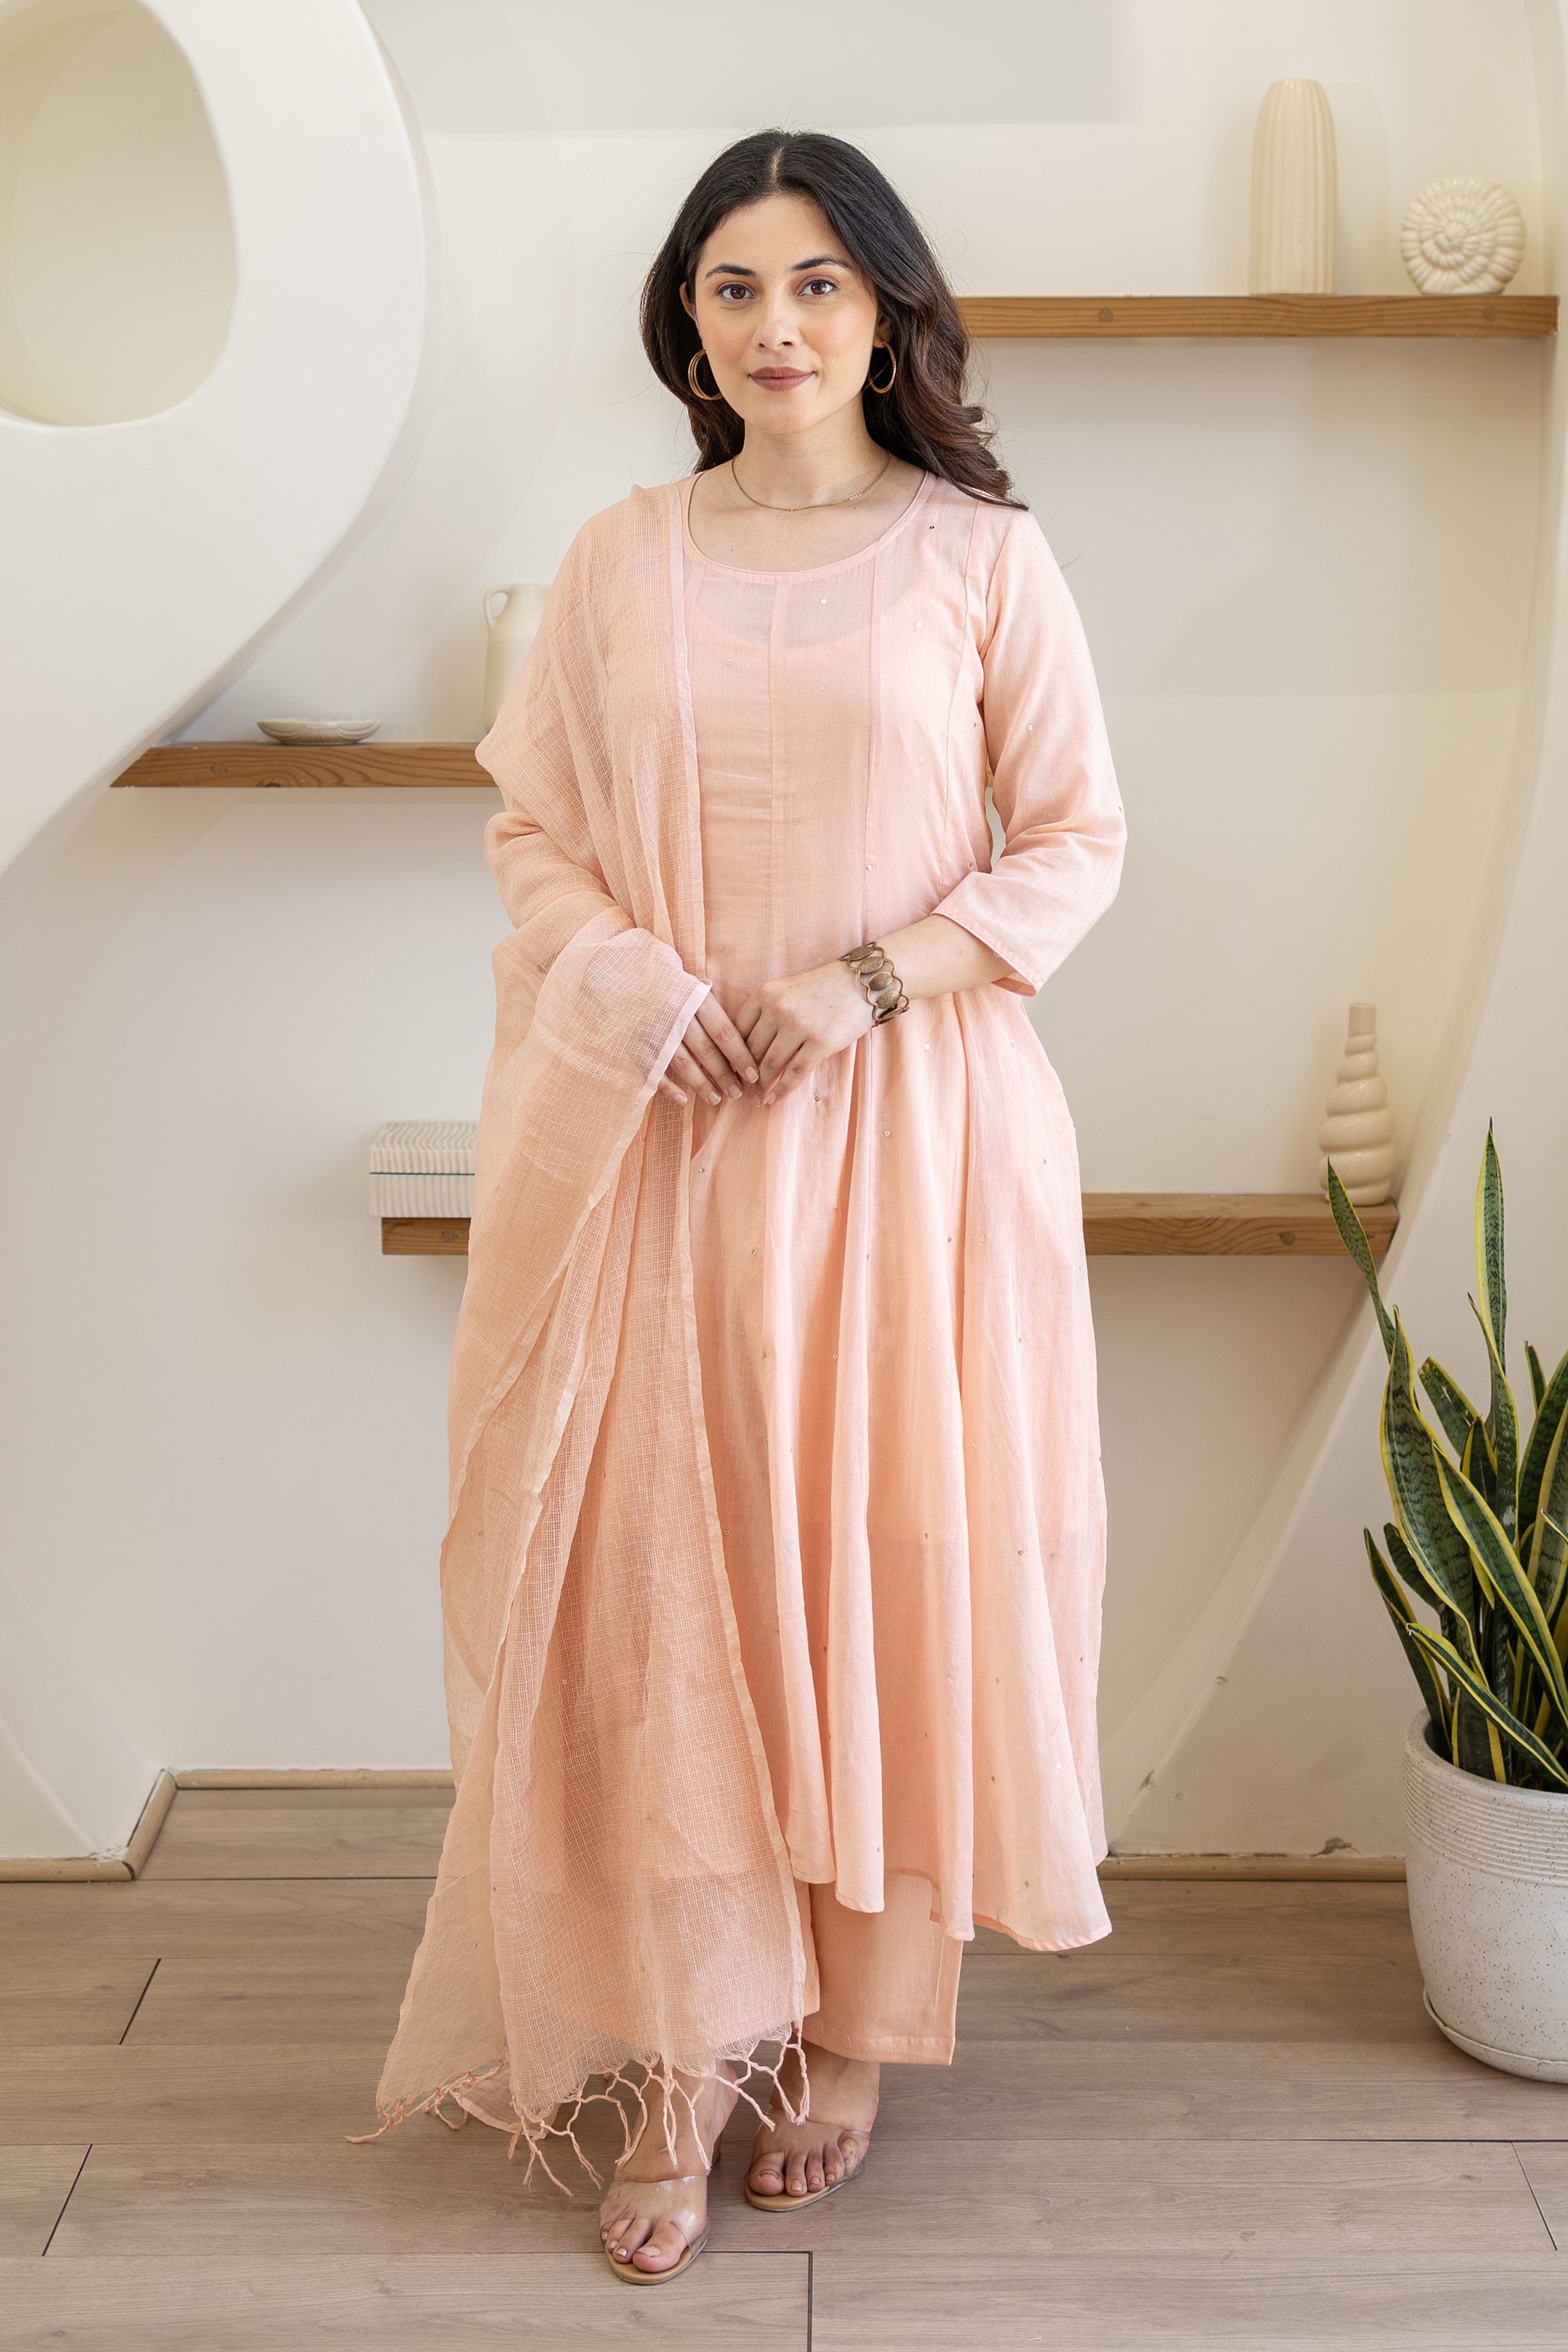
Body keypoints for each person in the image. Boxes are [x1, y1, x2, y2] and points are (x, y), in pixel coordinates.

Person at [363, 128, 1127, 2286]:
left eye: (814, 284)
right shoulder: (620, 561)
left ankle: (856, 2032)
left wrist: (861, 982)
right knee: (670, 1589)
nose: (774, 325)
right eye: (732, 287)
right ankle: (687, 2056)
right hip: (673, 1142)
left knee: (882, 1570)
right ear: (685, 324)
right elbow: (534, 833)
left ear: (884, 311)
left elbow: (1074, 840)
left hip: (911, 1143)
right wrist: (644, 989)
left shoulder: (981, 557)